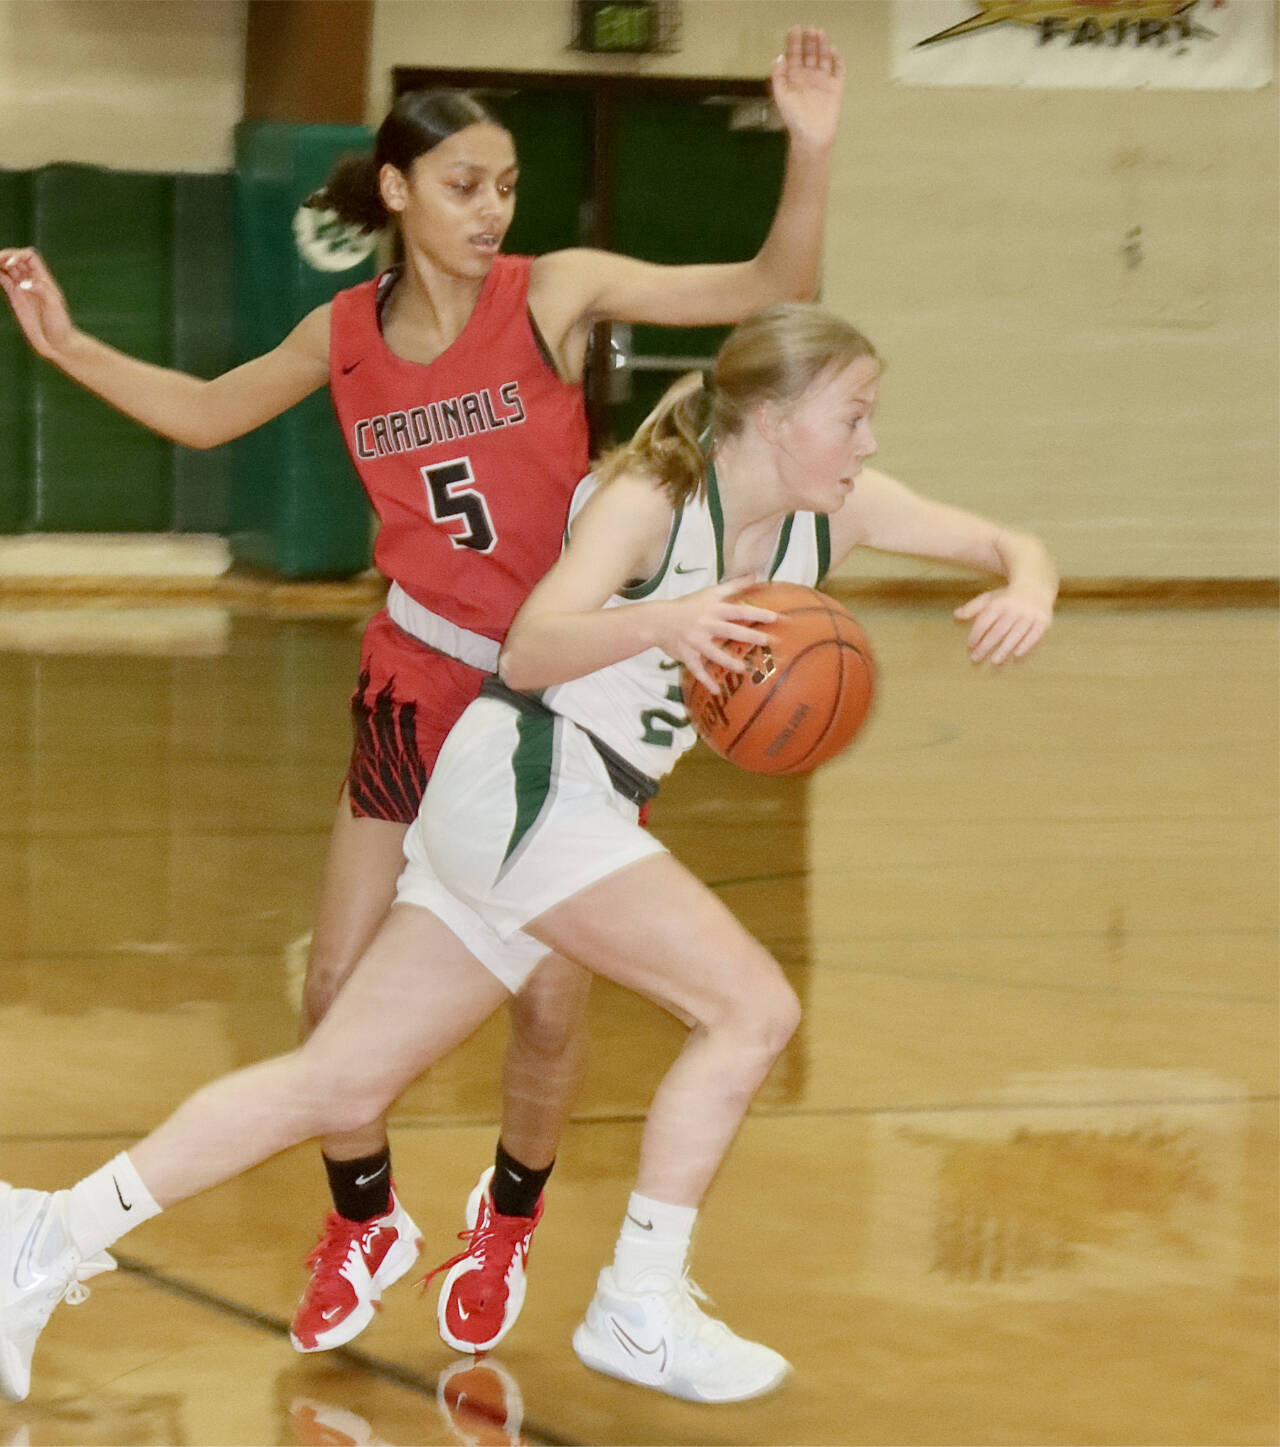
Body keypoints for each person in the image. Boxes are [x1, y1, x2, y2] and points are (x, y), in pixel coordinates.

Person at [0, 300, 1056, 1406]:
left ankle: (44, 1234)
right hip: (535, 775)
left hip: (532, 806)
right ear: (777, 418)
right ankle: (638, 1303)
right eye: (853, 415)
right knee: (751, 1011)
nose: (869, 442)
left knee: (334, 1080)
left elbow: (1001, 542)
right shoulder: (650, 503)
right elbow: (532, 647)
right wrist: (667, 622)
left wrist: (1026, 583)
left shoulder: (829, 514)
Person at [0, 27, 845, 1358]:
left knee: (549, 1008)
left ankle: (507, 1215)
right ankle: (365, 1217)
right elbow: (211, 410)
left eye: (504, 185)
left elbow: (766, 282)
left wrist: (809, 150)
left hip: (552, 697)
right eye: (463, 184)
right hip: (415, 675)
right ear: (396, 190)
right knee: (333, 984)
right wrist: (70, 350)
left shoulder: (552, 292)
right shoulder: (343, 331)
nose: (490, 208)